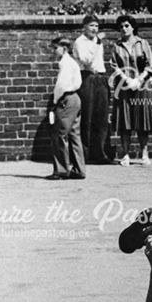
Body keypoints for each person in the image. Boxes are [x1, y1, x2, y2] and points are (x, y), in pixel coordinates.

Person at [110, 15, 152, 167]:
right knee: (125, 121)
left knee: (142, 121)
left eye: (127, 25)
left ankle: (144, 152)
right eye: (121, 26)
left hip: (141, 86)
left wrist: (139, 80)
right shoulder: (117, 46)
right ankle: (126, 154)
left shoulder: (142, 43)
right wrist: (126, 79)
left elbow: (151, 65)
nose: (124, 29)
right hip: (124, 88)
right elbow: (114, 66)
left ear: (133, 27)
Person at [72, 15, 111, 164]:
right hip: (87, 78)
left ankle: (100, 153)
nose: (94, 29)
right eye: (91, 25)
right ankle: (85, 154)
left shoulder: (97, 42)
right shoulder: (79, 42)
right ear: (84, 27)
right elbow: (86, 61)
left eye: (96, 26)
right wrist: (96, 43)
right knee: (87, 117)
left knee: (101, 117)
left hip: (100, 78)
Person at [47, 36, 86, 181]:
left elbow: (61, 86)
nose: (53, 51)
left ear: (64, 49)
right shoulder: (72, 63)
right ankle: (79, 169)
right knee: (74, 134)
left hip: (66, 99)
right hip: (75, 99)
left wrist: (56, 101)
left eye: (55, 48)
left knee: (59, 135)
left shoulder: (65, 63)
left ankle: (61, 170)